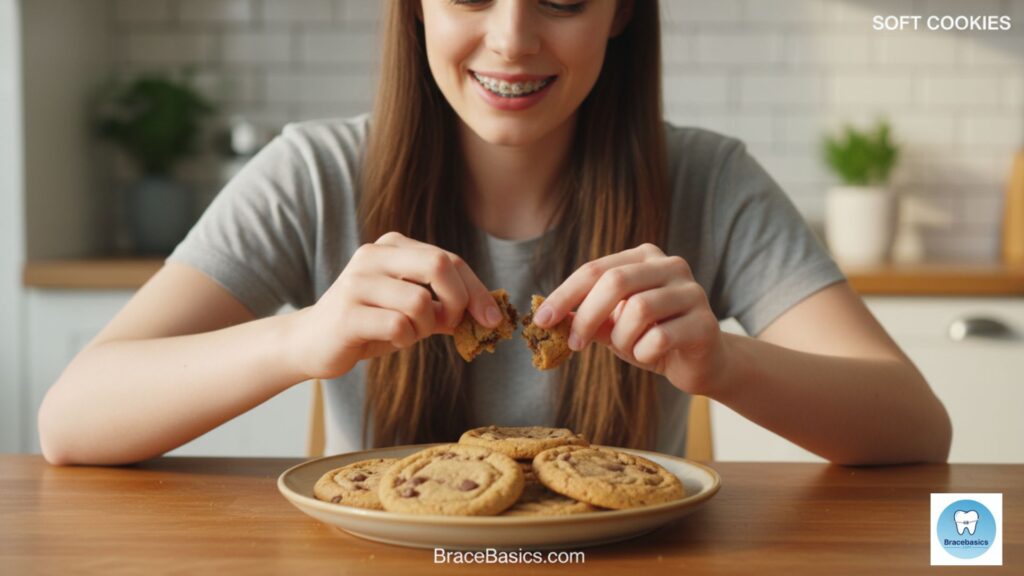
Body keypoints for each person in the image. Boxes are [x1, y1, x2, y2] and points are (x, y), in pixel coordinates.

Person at [38, 0, 951, 466]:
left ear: (621, 13)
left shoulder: (709, 180)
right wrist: (299, 338)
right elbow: (71, 421)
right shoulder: (313, 173)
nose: (512, 41)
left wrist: (725, 364)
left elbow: (915, 426)